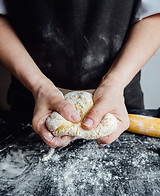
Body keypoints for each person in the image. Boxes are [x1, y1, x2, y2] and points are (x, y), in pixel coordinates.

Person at [0, 0, 160, 148]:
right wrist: (38, 85)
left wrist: (114, 83)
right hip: (32, 99)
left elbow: (154, 14)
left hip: (118, 100)